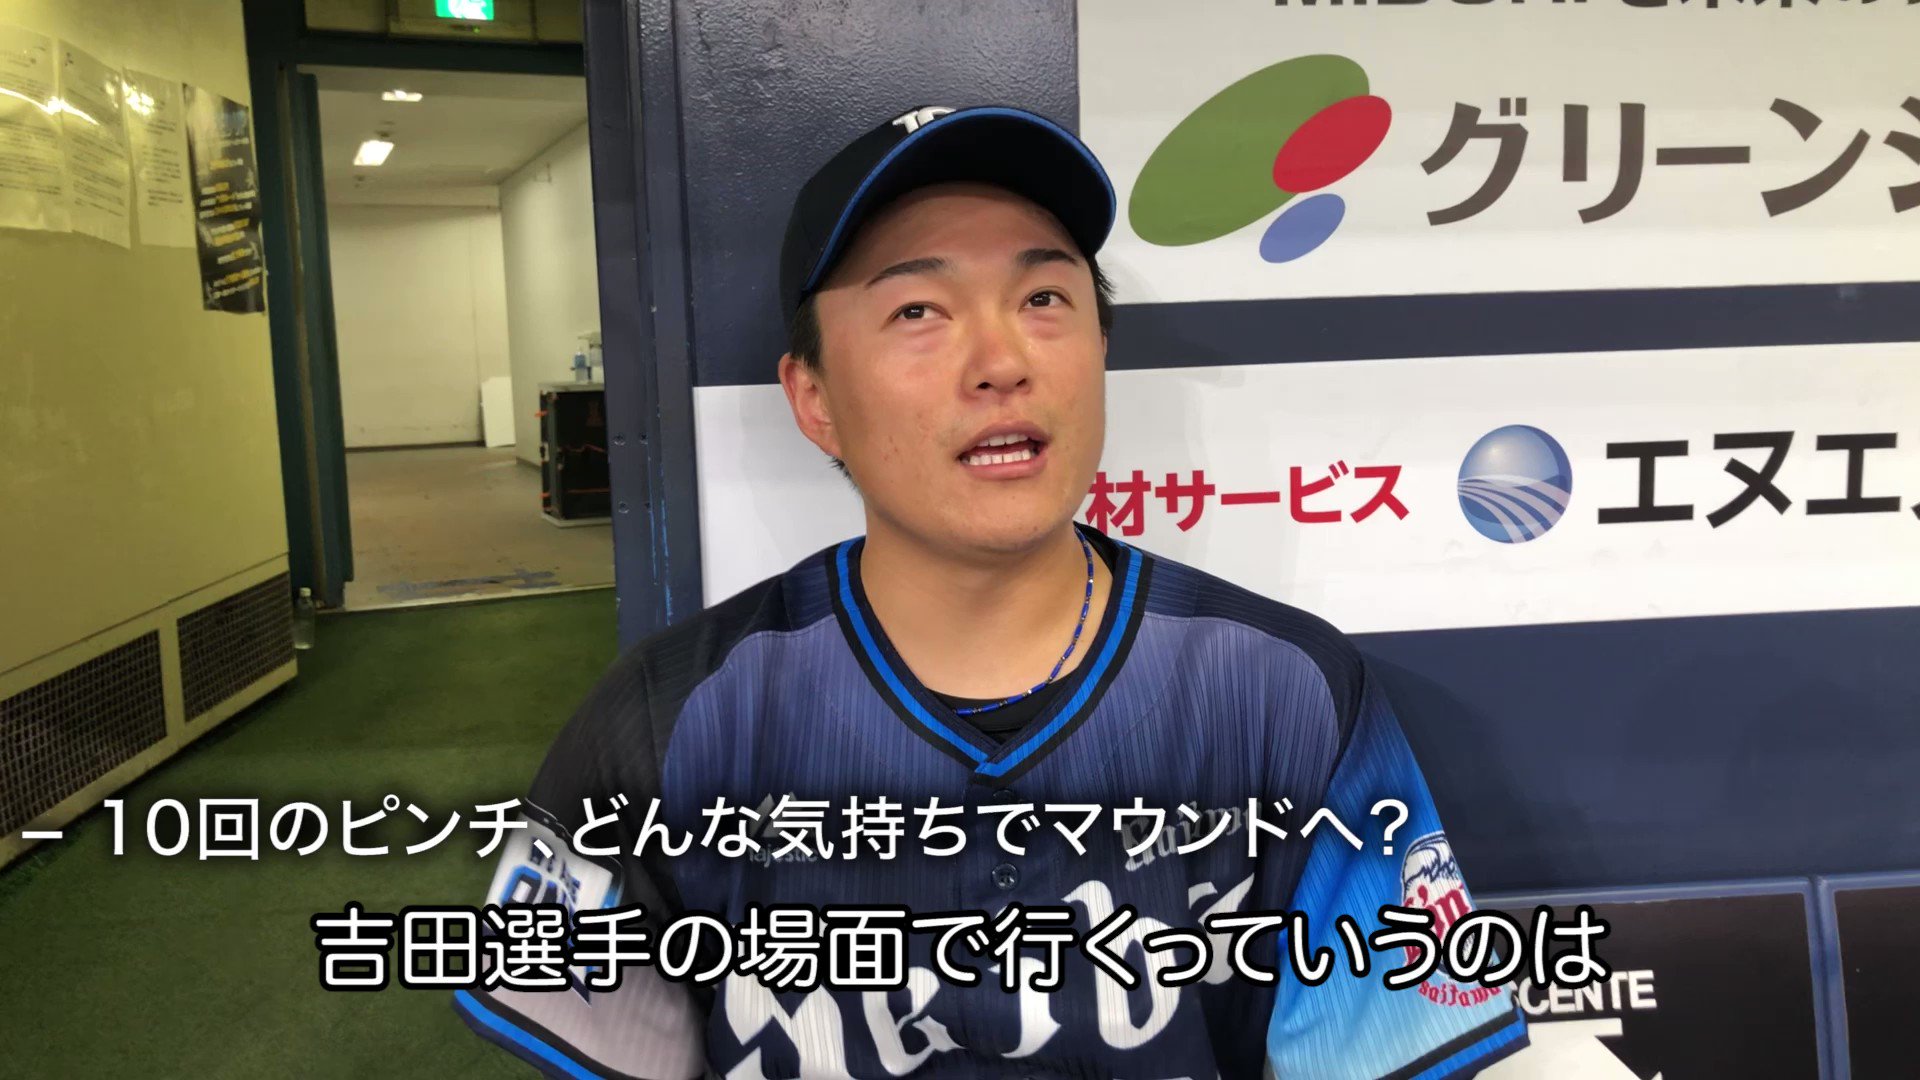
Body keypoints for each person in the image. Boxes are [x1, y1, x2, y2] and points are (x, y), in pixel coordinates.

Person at [454, 103, 1527, 1080]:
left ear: (1100, 348)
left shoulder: (1286, 693)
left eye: (1044, 297)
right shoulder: (673, 720)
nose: (1001, 361)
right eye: (919, 310)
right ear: (814, 398)